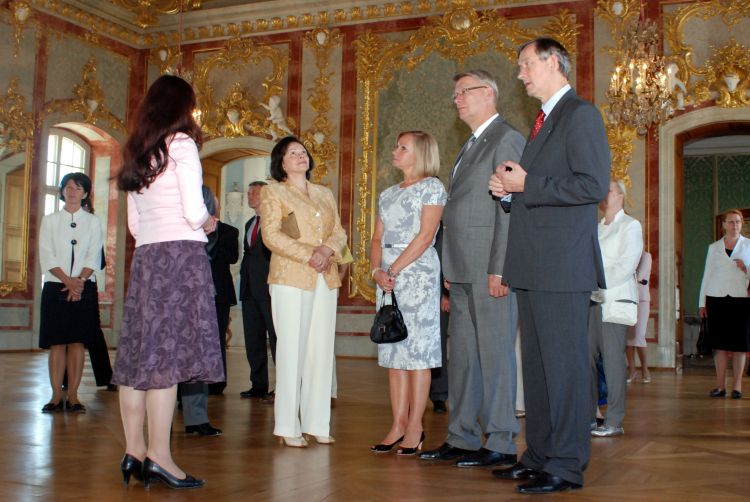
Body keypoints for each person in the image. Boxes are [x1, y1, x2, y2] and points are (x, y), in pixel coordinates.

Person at [490, 38, 610, 493]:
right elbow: (539, 189)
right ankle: (539, 455)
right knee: (539, 371)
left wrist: (528, 184)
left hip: (562, 267)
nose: (520, 74)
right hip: (536, 265)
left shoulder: (580, 115)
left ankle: (566, 463)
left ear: (554, 62)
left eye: (526, 64)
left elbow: (592, 185)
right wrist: (509, 191)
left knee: (565, 370)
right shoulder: (542, 122)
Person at [111, 75, 223, 489]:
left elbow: (134, 224)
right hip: (180, 257)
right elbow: (194, 211)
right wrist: (209, 222)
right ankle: (159, 456)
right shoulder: (181, 144)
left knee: (139, 358)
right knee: (167, 360)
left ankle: (133, 450)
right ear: (182, 108)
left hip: (147, 258)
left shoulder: (138, 151)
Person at [420, 70, 524, 469]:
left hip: (488, 269)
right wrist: (449, 263)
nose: (457, 99)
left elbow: (510, 210)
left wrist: (500, 268)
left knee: (495, 355)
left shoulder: (505, 138)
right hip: (462, 267)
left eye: (464, 91)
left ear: (489, 94)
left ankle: (500, 439)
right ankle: (461, 436)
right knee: (462, 356)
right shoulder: (470, 144)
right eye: (455, 93)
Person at [258, 136, 347, 448]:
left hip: (325, 276)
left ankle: (317, 423)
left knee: (320, 351)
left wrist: (327, 250)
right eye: (293, 152)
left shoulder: (324, 193)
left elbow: (339, 232)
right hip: (290, 276)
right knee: (291, 350)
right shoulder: (273, 192)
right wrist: (310, 254)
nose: (300, 155)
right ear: (281, 162)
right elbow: (271, 236)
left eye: (303, 151)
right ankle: (287, 425)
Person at [369, 131, 446, 455]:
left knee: (417, 354)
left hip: (417, 274)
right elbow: (376, 239)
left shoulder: (432, 187)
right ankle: (398, 424)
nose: (395, 151)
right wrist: (377, 271)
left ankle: (416, 426)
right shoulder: (387, 194)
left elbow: (426, 235)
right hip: (387, 277)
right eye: (396, 146)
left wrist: (394, 269)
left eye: (403, 147)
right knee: (394, 352)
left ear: (421, 153)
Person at [39, 172, 104, 414]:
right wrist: (68, 281)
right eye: (68, 187)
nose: (72, 191)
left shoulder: (93, 222)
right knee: (57, 343)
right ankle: (56, 395)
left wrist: (80, 281)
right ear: (62, 191)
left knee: (78, 342)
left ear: (85, 193)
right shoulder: (50, 220)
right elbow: (47, 254)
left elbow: (94, 255)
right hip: (56, 284)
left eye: (77, 187)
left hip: (84, 285)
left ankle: (74, 396)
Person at [179, 186, 237, 436]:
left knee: (198, 351)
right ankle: (164, 415)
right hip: (171, 290)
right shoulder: (172, 220)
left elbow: (217, 251)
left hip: (203, 292)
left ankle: (196, 417)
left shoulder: (218, 227)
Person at [588, 180, 642, 438]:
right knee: (586, 360)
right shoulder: (595, 227)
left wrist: (597, 280)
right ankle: (590, 416)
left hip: (613, 301)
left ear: (621, 195)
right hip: (590, 301)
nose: (603, 193)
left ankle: (614, 420)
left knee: (612, 362)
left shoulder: (630, 225)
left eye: (608, 189)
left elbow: (626, 265)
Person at [698, 208, 750, 399]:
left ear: (741, 224)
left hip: (741, 299)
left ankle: (737, 386)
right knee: (719, 345)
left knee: (739, 345)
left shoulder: (749, 245)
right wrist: (702, 303)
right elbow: (707, 275)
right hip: (716, 298)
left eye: (737, 221)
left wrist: (746, 268)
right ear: (723, 225)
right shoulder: (714, 247)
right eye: (730, 221)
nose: (734, 225)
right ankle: (720, 386)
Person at [239, 180, 276, 402]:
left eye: (254, 192)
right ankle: (258, 385)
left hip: (269, 288)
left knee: (276, 338)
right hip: (249, 289)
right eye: (249, 192)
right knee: (253, 339)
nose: (250, 196)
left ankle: (283, 387)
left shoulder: (275, 222)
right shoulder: (249, 224)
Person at [205, 185, 239, 397]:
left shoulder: (229, 231)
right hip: (196, 292)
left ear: (216, 208)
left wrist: (213, 244)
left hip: (220, 293)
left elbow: (233, 257)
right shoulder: (191, 230)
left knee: (217, 337)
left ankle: (217, 381)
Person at [627, 250, 652, 383]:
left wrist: (624, 274)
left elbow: (639, 275)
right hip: (627, 299)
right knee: (628, 338)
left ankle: (644, 369)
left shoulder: (646, 256)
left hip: (642, 300)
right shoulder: (627, 254)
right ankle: (632, 371)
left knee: (639, 336)